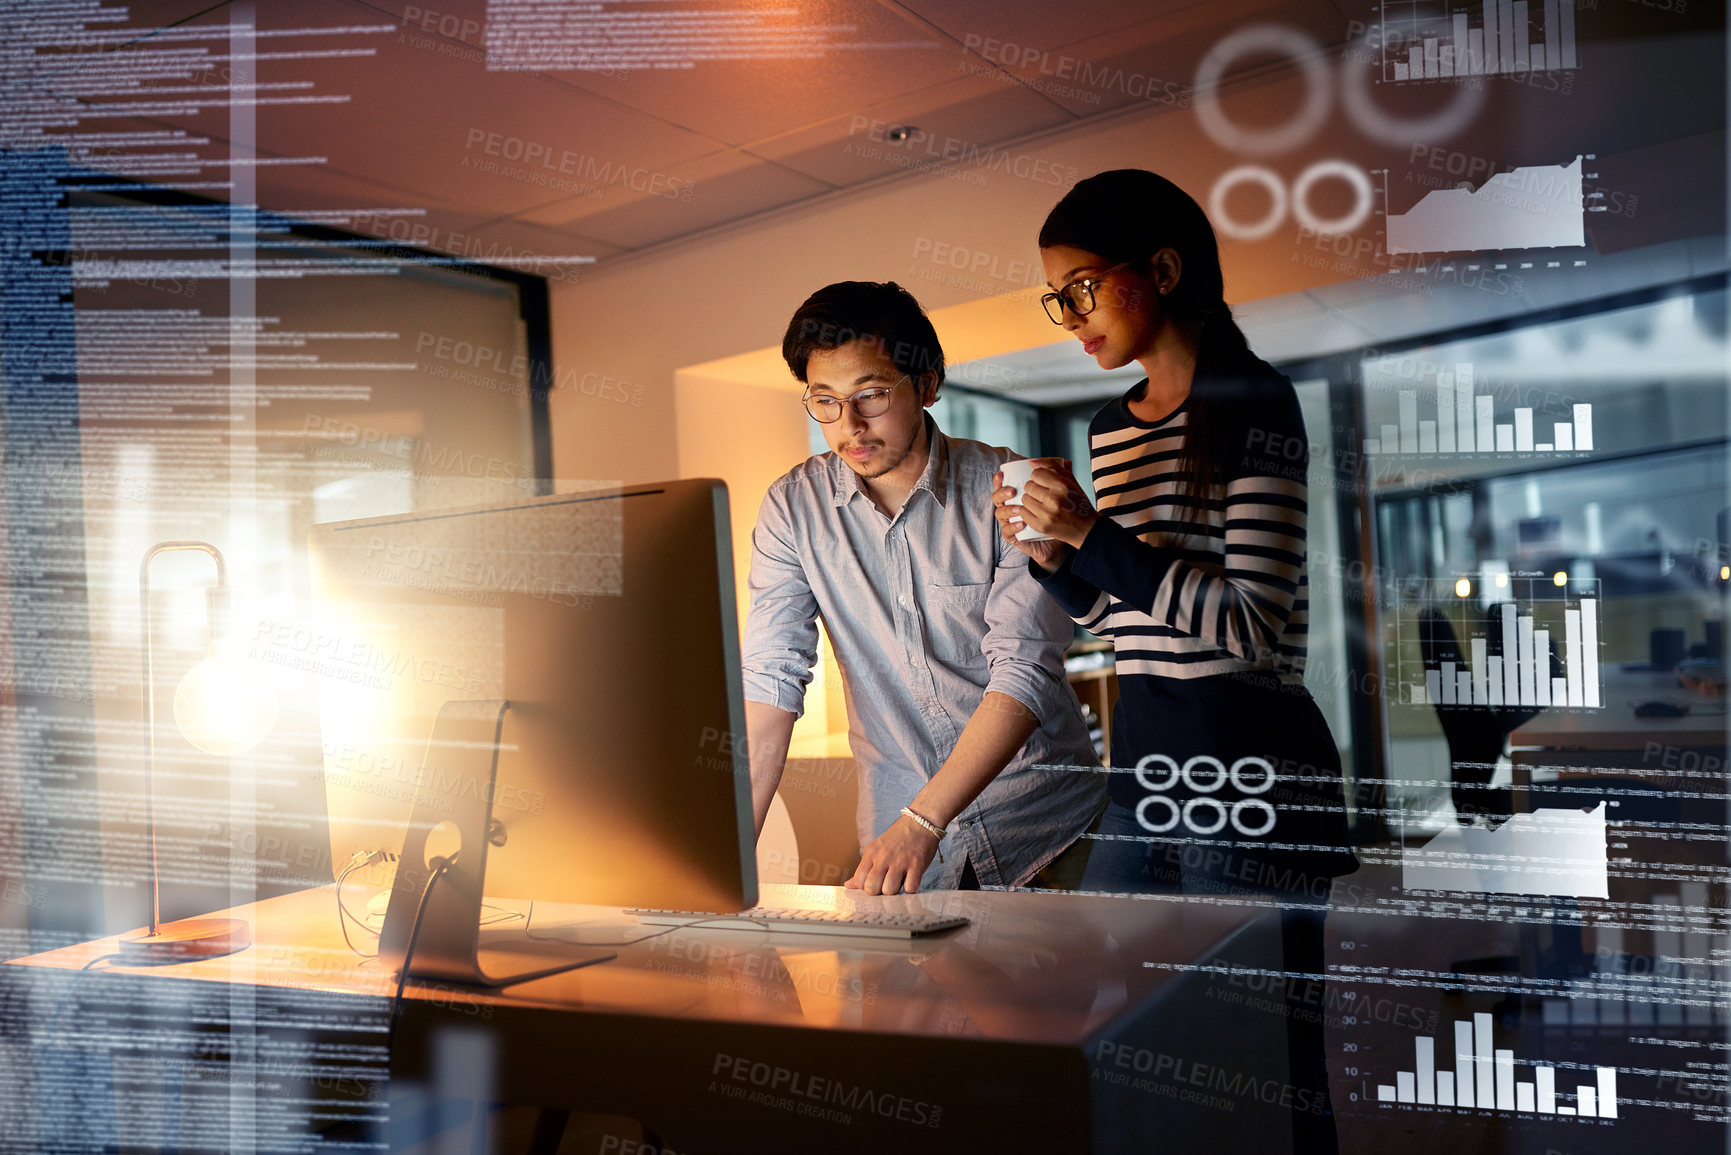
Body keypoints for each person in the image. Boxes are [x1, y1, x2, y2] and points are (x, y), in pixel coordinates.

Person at [993, 169, 1354, 1154]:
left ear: (1160, 269)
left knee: (1269, 1054)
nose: (1069, 315)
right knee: (1136, 1028)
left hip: (1249, 765)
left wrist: (1098, 538)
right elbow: (1131, 616)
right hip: (1147, 759)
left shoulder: (1255, 401)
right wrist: (1054, 557)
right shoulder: (1113, 427)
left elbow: (1247, 626)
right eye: (1054, 297)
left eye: (1082, 288)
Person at [742, 280, 1105, 897]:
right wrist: (728, 858)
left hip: (1045, 827)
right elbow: (771, 677)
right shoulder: (792, 508)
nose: (848, 426)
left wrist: (924, 817)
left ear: (928, 385)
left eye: (872, 395)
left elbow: (1023, 672)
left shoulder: (1010, 486)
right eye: (824, 401)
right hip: (902, 853)